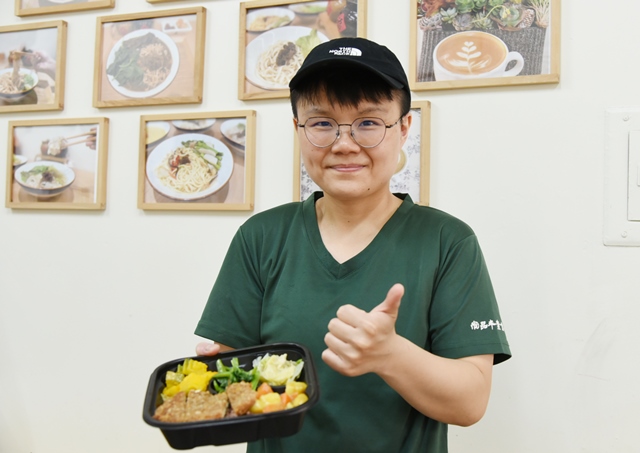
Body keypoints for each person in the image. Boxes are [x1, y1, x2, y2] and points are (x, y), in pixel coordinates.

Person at [194, 37, 511, 453]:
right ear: (298, 130)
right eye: (322, 123)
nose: (344, 143)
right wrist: (217, 379)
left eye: (368, 122)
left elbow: (470, 402)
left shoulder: (447, 242)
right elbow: (237, 388)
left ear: (403, 129)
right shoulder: (261, 237)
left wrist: (390, 354)